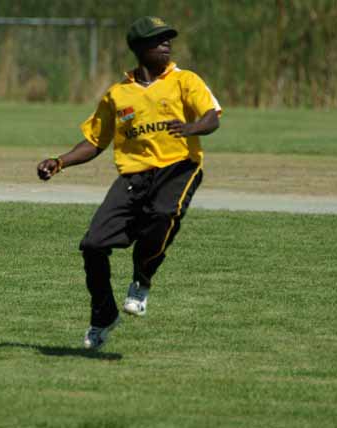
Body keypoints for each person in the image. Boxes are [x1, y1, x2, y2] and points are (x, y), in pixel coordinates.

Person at [37, 16, 222, 350]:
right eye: (158, 39)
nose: (166, 44)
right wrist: (60, 161)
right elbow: (95, 142)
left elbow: (212, 116)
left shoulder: (185, 81)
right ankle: (103, 314)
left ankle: (142, 278)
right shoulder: (117, 95)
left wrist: (193, 128)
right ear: (139, 48)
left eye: (168, 38)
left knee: (163, 215)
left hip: (179, 166)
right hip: (134, 175)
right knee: (92, 245)